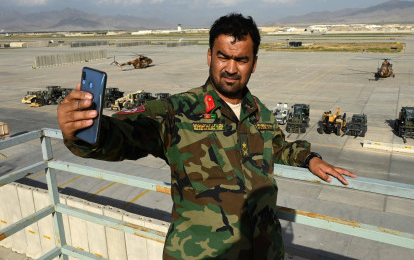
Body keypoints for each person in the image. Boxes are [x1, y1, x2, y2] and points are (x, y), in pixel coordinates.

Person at [58, 13, 356, 259]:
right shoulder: (178, 111)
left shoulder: (260, 113)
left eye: (241, 60)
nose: (230, 68)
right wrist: (84, 133)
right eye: (222, 57)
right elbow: (132, 132)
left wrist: (309, 158)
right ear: (209, 56)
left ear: (254, 63)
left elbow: (277, 146)